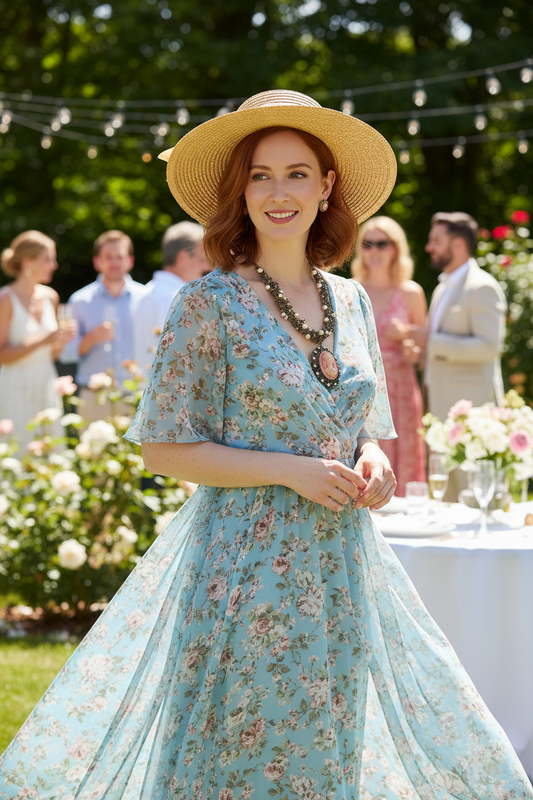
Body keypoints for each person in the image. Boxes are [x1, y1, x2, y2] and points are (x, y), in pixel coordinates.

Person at [1, 91, 531, 800]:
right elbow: (161, 447)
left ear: (326, 186)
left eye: (296, 173)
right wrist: (287, 472)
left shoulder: (350, 300)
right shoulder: (207, 302)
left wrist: (371, 461)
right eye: (259, 174)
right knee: (235, 753)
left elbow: (366, 424)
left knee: (327, 748)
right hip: (242, 567)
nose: (278, 192)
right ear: (238, 190)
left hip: (341, 570)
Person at [423, 212, 507, 499]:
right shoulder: (442, 286)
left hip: (474, 418)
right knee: (447, 501)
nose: (429, 247)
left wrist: (429, 341)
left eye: (436, 240)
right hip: (441, 412)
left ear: (458, 245)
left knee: (476, 500)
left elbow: (488, 347)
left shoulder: (482, 286)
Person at [351, 216, 427, 495]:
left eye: (381, 244)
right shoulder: (350, 290)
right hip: (363, 390)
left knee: (405, 460)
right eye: (367, 244)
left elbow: (420, 355)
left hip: (401, 389)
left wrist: (408, 343)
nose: (374, 251)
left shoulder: (410, 293)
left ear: (396, 248)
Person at [0, 231, 76, 450]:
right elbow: (2, 354)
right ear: (27, 262)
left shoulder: (50, 296)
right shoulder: (5, 299)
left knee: (51, 449)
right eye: (48, 259)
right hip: (14, 386)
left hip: (46, 382)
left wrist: (60, 340)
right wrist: (46, 338)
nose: (54, 265)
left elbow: (52, 354)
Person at [60, 229, 145, 421]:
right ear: (97, 261)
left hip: (137, 397)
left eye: (119, 256)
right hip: (93, 398)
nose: (114, 262)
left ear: (130, 260)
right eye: (108, 257)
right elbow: (65, 354)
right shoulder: (79, 300)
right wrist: (90, 339)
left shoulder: (145, 299)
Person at [133, 221, 207, 375]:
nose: (207, 267)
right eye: (202, 259)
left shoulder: (143, 293)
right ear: (183, 258)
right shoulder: (180, 297)